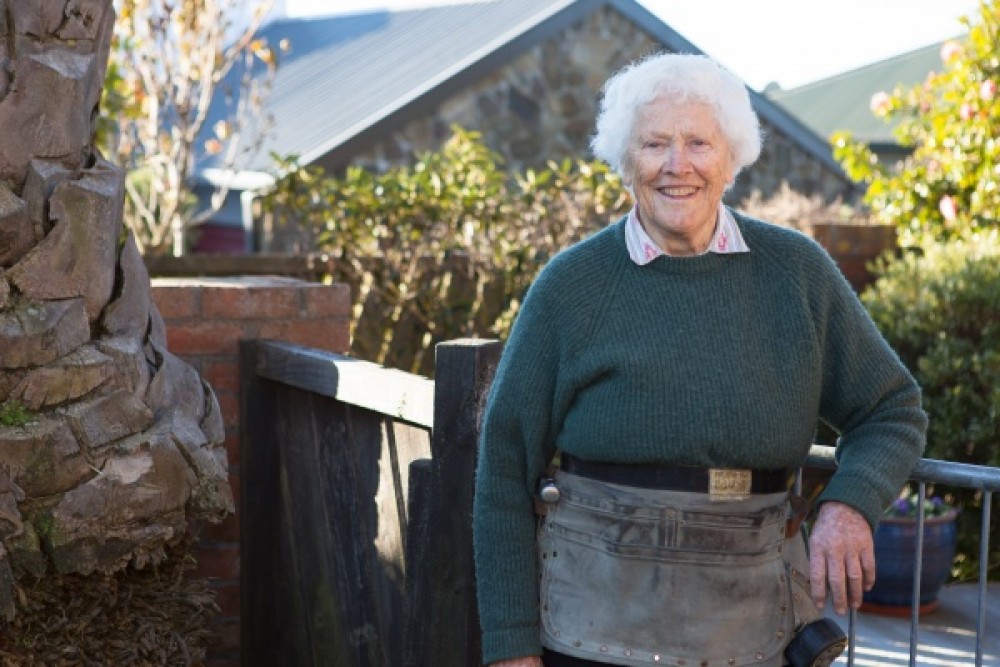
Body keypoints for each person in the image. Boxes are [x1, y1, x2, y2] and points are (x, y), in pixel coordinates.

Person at [472, 52, 927, 667]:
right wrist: (510, 647)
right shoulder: (569, 286)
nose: (676, 165)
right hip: (591, 624)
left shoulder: (797, 273)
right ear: (626, 160)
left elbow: (892, 408)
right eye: (655, 143)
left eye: (697, 143)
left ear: (731, 157)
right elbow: (504, 462)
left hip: (753, 622)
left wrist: (849, 504)